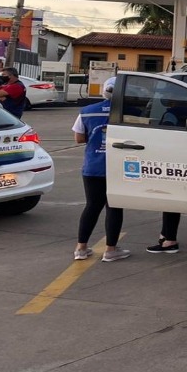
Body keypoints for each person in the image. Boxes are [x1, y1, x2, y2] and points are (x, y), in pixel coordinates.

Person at [72, 77, 129, 262]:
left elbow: (79, 138)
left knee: (92, 207)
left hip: (93, 166)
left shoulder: (86, 112)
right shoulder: (130, 112)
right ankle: (111, 250)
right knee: (114, 207)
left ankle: (81, 248)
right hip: (119, 167)